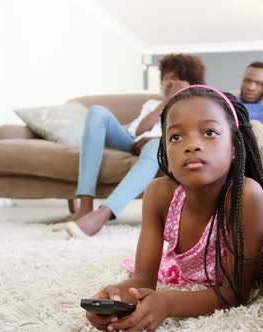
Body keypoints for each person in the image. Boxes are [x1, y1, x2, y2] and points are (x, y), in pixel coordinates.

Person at [85, 85, 263, 331]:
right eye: (176, 137)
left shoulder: (245, 196)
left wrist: (168, 303)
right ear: (166, 156)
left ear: (235, 147)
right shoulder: (158, 194)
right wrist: (115, 297)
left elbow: (235, 293)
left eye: (210, 132)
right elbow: (143, 279)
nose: (192, 144)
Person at [53, 54, 206, 237]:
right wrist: (166, 103)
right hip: (132, 142)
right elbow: (140, 130)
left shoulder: (193, 106)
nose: (167, 83)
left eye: (173, 79)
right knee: (97, 112)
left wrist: (160, 131)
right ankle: (85, 205)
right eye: (165, 78)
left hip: (158, 145)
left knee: (155, 144)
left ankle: (103, 214)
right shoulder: (153, 104)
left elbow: (184, 135)